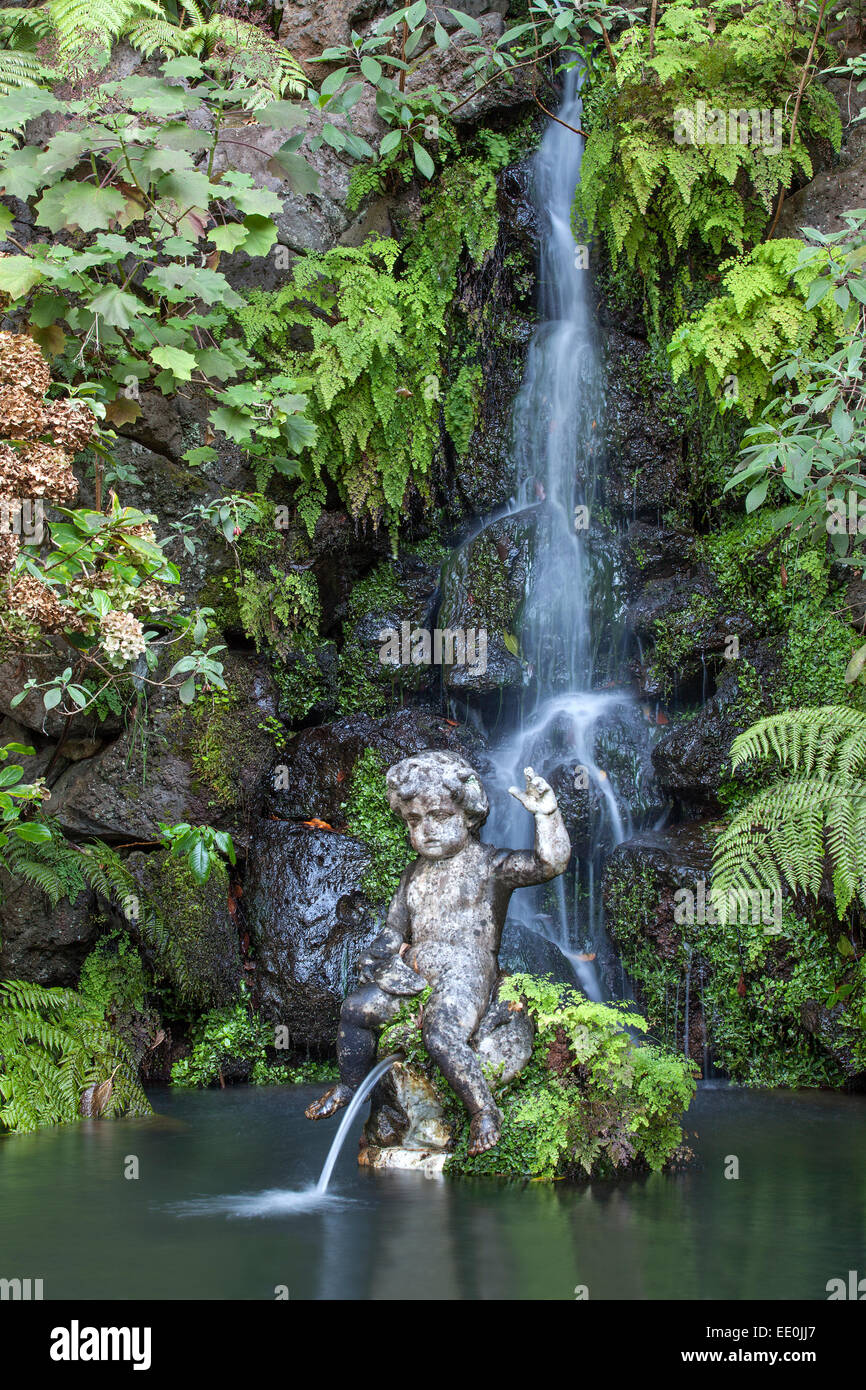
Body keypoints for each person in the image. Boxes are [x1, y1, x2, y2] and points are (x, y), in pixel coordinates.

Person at [306, 750, 571, 1155]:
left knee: (442, 1034)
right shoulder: (414, 873)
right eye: (415, 820)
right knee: (356, 1010)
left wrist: (547, 814)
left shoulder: (490, 865)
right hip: (415, 973)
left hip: (467, 971)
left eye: (440, 816)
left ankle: (483, 1110)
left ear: (468, 815)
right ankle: (351, 1084)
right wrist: (377, 959)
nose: (427, 830)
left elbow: (548, 864)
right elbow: (393, 931)